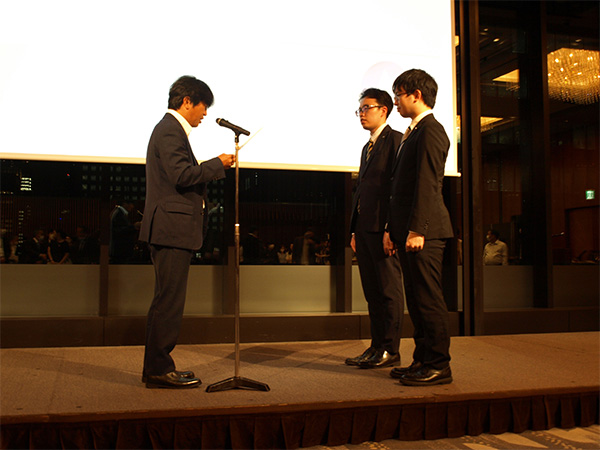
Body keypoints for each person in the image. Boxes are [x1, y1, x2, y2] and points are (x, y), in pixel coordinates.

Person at [138, 75, 235, 389]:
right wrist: (217, 164)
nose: (205, 113)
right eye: (203, 105)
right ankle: (158, 369)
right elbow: (181, 175)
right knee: (168, 302)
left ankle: (157, 367)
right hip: (171, 229)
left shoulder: (170, 130)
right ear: (187, 101)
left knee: (167, 300)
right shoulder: (170, 129)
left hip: (172, 229)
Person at [386, 69, 454, 386]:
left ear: (417, 95)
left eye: (399, 95)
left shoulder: (431, 130)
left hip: (425, 232)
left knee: (428, 300)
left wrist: (418, 229)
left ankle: (439, 364)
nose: (396, 101)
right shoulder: (413, 131)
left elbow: (428, 184)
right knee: (415, 300)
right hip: (410, 230)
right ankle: (422, 360)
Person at [345, 88, 405, 369]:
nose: (361, 114)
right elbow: (361, 191)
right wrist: (354, 230)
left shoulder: (395, 140)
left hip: (383, 230)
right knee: (372, 291)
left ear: (383, 110)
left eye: (366, 108)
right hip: (364, 229)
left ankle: (390, 350)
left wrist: (391, 229)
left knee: (388, 290)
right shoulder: (366, 147)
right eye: (359, 109)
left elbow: (397, 189)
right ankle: (376, 346)